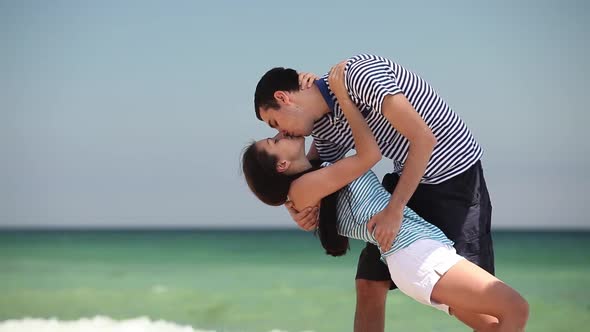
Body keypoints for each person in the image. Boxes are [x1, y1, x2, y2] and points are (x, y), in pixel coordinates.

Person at [243, 63, 528, 331]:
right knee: (369, 286)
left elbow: (423, 139)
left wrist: (394, 209)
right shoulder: (321, 131)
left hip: (451, 179)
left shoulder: (358, 75)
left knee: (492, 321)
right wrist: (294, 205)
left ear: (283, 98)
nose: (280, 131)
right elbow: (311, 179)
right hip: (407, 228)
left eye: (273, 122)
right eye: (273, 135)